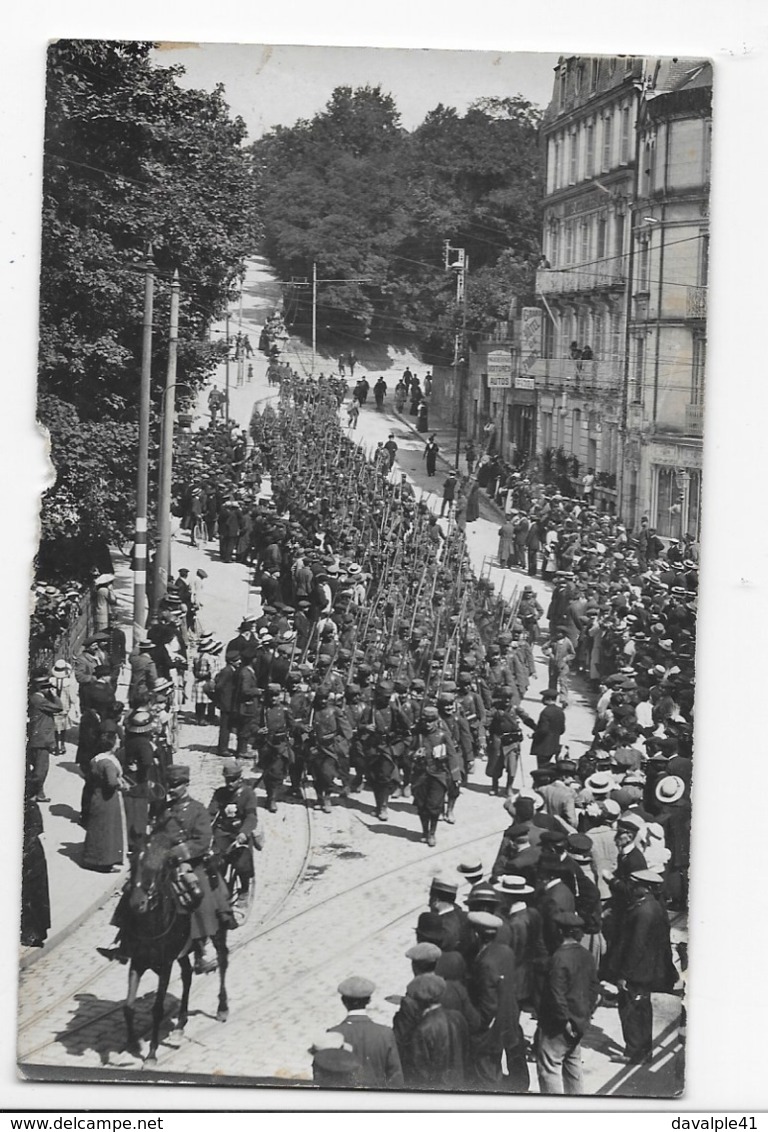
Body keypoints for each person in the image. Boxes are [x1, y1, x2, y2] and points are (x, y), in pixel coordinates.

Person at [605, 869, 678, 1063]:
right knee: (642, 1009)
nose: (632, 887)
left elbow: (636, 946)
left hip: (636, 972)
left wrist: (624, 975)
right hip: (647, 970)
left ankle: (633, 1053)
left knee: (631, 1011)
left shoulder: (643, 911)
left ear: (644, 887)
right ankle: (644, 1051)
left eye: (634, 884)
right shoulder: (654, 906)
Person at [535, 911, 599, 1094]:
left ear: (561, 932)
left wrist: (565, 1021)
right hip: (579, 1022)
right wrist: (584, 1016)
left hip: (558, 1026)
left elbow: (557, 994)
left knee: (550, 1070)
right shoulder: (586, 955)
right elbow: (594, 988)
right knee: (573, 1068)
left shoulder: (559, 958)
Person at [328, 977, 404, 1089]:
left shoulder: (333, 1034)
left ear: (343, 1001)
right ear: (369, 1001)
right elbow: (395, 1077)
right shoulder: (385, 1034)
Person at [208, 759, 262, 912]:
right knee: (215, 863)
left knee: (241, 863)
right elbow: (210, 814)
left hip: (239, 834)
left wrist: (244, 832)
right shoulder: (220, 794)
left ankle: (244, 890)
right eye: (227, 780)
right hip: (222, 833)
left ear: (240, 778)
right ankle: (220, 891)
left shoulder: (248, 794)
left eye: (233, 780)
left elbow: (251, 817)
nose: (229, 784)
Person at [81, 731, 126, 872]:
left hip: (96, 796)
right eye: (117, 740)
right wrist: (121, 784)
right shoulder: (108, 763)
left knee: (96, 828)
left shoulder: (96, 759)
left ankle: (91, 858)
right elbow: (112, 782)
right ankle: (105, 863)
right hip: (108, 799)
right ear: (112, 744)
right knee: (108, 830)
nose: (119, 742)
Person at [21, 779, 51, 948]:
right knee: (34, 897)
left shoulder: (29, 809)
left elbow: (33, 833)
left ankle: (30, 933)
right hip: (35, 857)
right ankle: (33, 932)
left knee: (30, 897)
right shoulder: (32, 808)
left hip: (31, 858)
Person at [528, 689, 566, 767]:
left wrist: (533, 735)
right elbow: (562, 730)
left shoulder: (545, 712)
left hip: (543, 747)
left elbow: (543, 730)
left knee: (541, 768)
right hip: (554, 746)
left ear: (548, 699)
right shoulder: (560, 712)